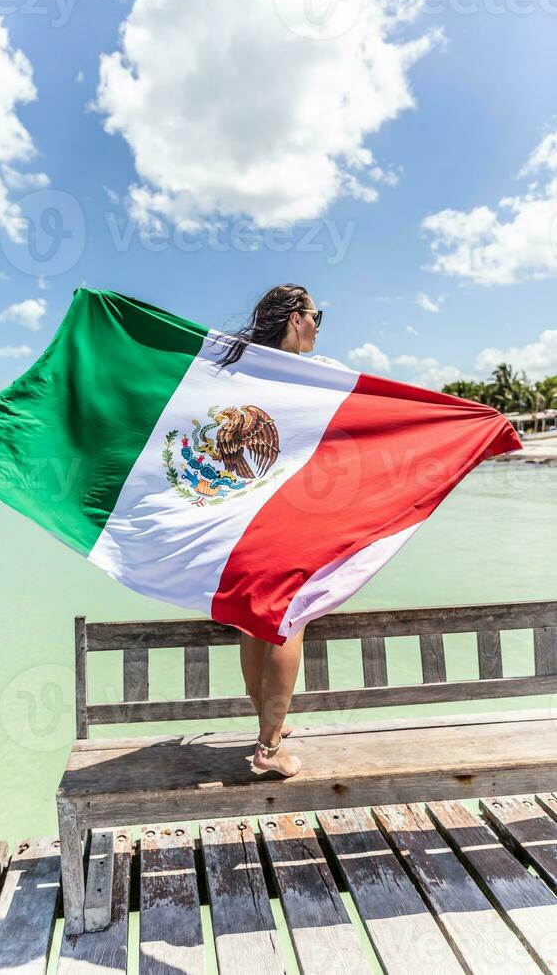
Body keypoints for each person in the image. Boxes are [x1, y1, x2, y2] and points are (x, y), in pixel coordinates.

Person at [213, 283, 323, 778]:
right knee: (287, 622)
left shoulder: (237, 374)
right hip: (282, 522)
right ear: (296, 318)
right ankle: (269, 747)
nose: (319, 326)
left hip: (238, 523)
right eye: (317, 316)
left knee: (255, 624)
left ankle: (268, 723)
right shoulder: (312, 377)